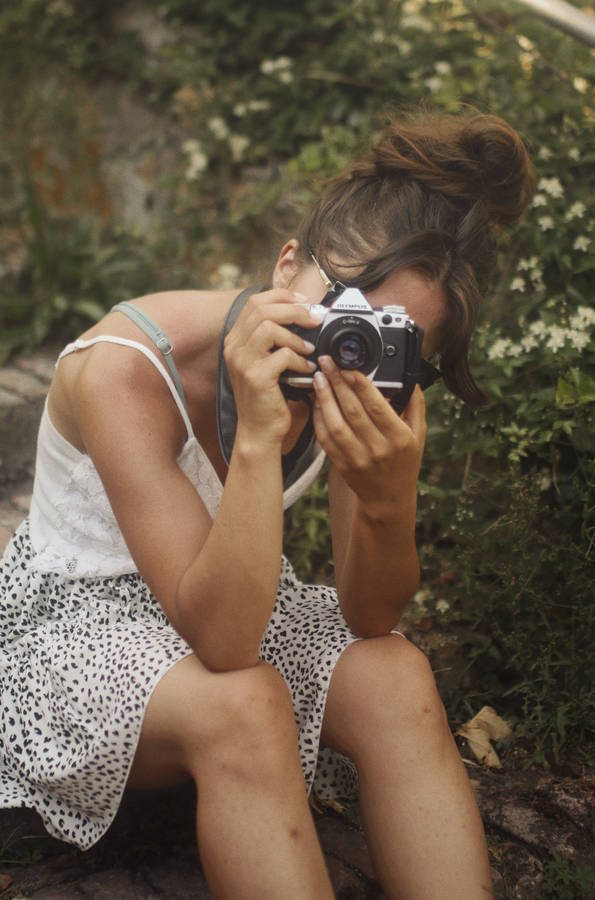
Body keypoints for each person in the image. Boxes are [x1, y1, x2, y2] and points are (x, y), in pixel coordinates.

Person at [0, 108, 535, 899]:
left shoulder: (356, 376)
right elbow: (224, 645)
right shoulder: (125, 369)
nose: (350, 348)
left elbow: (369, 616)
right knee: (243, 701)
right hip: (76, 629)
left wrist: (387, 496)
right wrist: (257, 438)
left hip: (233, 594)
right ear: (287, 267)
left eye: (388, 336)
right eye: (344, 309)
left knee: (394, 672)